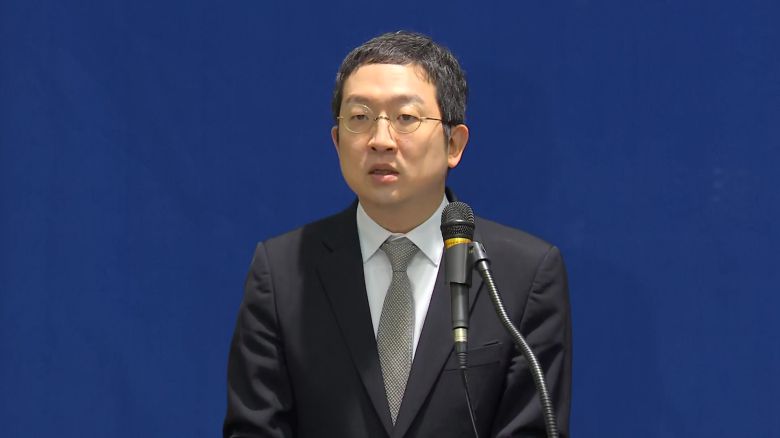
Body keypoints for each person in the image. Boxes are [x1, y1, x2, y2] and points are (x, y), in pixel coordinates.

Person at [224, 31, 571, 437]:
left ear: (454, 144)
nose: (380, 140)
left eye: (406, 118)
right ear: (337, 142)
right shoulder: (283, 272)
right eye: (360, 118)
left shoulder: (522, 275)